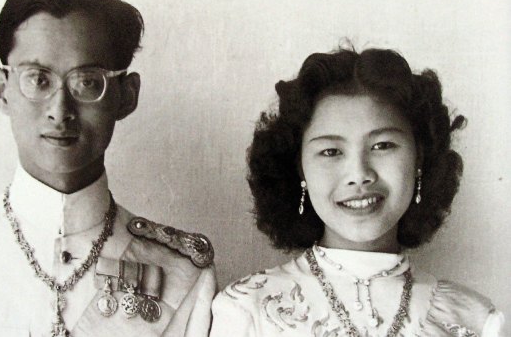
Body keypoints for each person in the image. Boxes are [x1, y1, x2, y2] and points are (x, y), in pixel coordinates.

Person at [0, 0, 216, 336]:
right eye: (38, 79)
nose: (60, 111)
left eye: (88, 82)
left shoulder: (183, 276)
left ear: (126, 95)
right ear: (1, 90)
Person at [210, 46, 505, 336]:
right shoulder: (246, 309)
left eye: (382, 146)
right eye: (330, 151)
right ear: (300, 169)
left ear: (420, 158)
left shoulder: (473, 319)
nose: (359, 175)